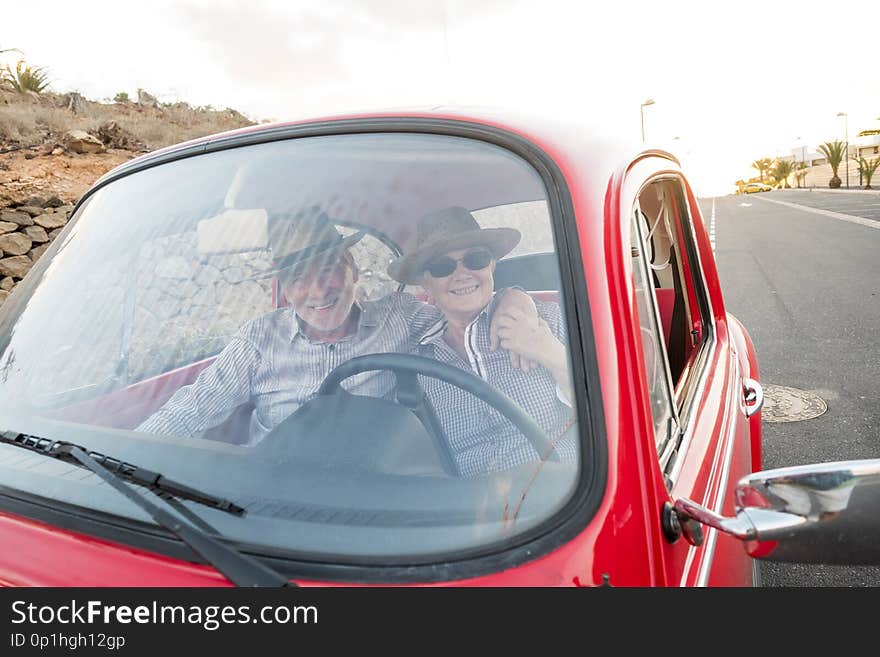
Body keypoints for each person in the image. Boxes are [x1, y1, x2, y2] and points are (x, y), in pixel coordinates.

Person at [136, 208, 537, 445]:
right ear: (284, 289)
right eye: (297, 278)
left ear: (352, 270)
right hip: (268, 499)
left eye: (328, 270)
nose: (316, 291)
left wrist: (514, 299)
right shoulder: (259, 339)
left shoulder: (400, 315)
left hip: (371, 494)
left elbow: (464, 310)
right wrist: (132, 456)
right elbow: (192, 408)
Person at [387, 206, 578, 477]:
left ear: (492, 265)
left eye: (475, 259)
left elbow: (611, 413)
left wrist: (549, 352)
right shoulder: (415, 364)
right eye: (442, 266)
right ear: (425, 284)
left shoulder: (547, 321)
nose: (462, 274)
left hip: (562, 499)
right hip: (468, 511)